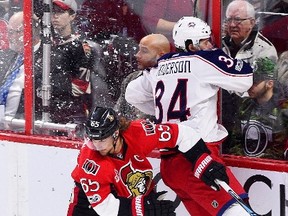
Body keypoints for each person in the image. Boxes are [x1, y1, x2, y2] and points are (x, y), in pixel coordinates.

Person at [125, 16, 254, 215]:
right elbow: (245, 80)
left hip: (170, 165)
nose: (210, 44)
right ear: (191, 46)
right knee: (237, 211)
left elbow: (131, 94)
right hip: (197, 158)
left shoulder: (158, 68)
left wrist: (161, 110)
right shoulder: (202, 59)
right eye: (205, 41)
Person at [67, 106, 231, 216]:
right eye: (92, 140)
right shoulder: (90, 163)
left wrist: (202, 160)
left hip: (131, 195)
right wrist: (143, 209)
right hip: (89, 207)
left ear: (116, 134)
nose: (96, 145)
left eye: (101, 140)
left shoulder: (139, 133)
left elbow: (182, 134)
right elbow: (105, 208)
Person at [221, 0, 279, 146]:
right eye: (229, 20)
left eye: (238, 20)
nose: (232, 25)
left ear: (252, 22)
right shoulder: (217, 43)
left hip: (247, 118)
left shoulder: (265, 51)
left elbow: (259, 89)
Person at [49, 0, 111, 126]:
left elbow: (78, 88)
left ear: (72, 16)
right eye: (53, 12)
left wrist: (47, 85)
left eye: (60, 12)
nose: (55, 16)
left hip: (72, 116)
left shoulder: (82, 47)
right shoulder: (48, 44)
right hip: (50, 111)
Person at [229, 57, 288, 160]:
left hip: (270, 170)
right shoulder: (244, 104)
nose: (250, 85)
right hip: (241, 166)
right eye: (249, 80)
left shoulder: (283, 110)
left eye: (255, 82)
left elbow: (279, 149)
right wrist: (242, 161)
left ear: (270, 83)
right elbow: (235, 140)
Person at [114, 33, 170, 120]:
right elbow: (118, 116)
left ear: (161, 56)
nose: (137, 55)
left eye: (144, 51)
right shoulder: (132, 78)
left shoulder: (172, 82)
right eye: (139, 50)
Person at [0, 11, 43, 121]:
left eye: (17, 32)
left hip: (28, 124)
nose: (12, 37)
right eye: (10, 32)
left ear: (32, 31)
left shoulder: (49, 57)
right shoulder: (6, 55)